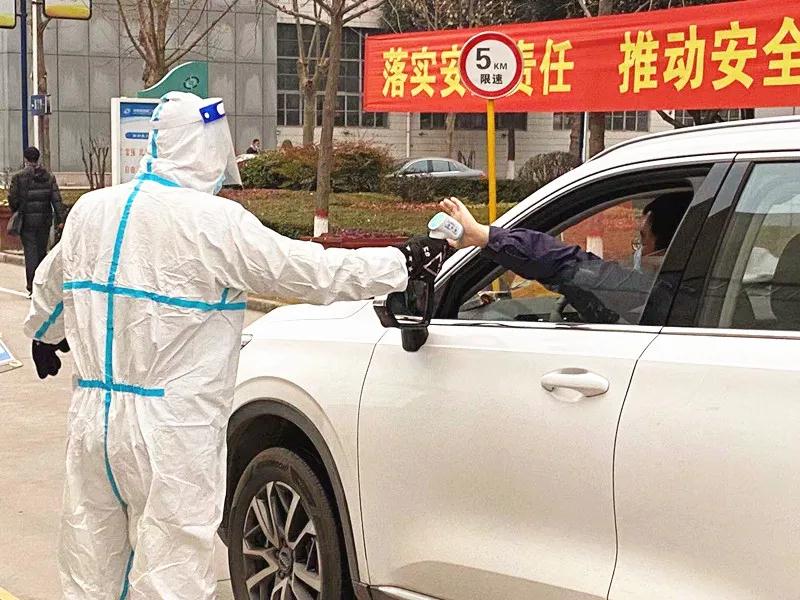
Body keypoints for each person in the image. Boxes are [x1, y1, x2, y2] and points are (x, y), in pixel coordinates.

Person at [23, 92, 446, 600]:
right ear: (203, 147)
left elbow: (50, 286)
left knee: (90, 564)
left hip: (94, 423)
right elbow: (308, 271)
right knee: (172, 574)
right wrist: (400, 263)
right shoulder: (214, 222)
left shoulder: (93, 210)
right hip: (174, 431)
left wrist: (44, 334)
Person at [440, 192, 693, 324]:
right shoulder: (701, 291)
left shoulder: (661, 293)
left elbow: (571, 266)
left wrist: (485, 236)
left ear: (670, 251)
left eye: (643, 240)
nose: (637, 251)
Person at [8, 146, 65, 295]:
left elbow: (12, 199)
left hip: (26, 221)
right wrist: (61, 219)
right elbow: (56, 199)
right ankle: (42, 284)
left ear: (25, 159)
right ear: (38, 158)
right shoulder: (48, 176)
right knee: (41, 252)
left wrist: (17, 210)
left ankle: (32, 286)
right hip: (44, 221)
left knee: (30, 253)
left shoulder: (18, 177)